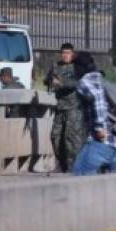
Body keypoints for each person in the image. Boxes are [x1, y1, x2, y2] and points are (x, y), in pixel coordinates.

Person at [72, 52, 116, 176]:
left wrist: (99, 127)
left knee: (79, 173)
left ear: (79, 67)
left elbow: (97, 98)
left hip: (100, 142)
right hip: (115, 143)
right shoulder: (101, 80)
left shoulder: (84, 82)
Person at [44, 43, 85, 172]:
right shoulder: (56, 66)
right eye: (63, 53)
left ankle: (73, 166)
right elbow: (47, 80)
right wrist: (50, 80)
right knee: (55, 136)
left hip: (74, 108)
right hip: (60, 108)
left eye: (68, 53)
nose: (65, 55)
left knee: (71, 139)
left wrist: (60, 83)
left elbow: (77, 83)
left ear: (72, 54)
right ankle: (62, 164)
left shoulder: (77, 67)